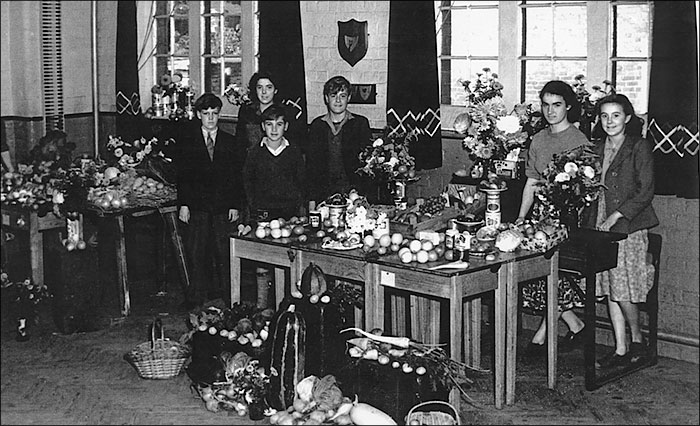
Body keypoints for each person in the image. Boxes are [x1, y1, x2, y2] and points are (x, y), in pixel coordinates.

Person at [583, 93, 659, 368]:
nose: (609, 121)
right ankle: (621, 347)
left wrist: (616, 215)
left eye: (616, 115)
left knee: (623, 288)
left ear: (627, 118)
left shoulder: (639, 147)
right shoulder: (595, 148)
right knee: (609, 285)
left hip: (628, 225)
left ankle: (638, 341)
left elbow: (645, 192)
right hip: (600, 224)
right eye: (604, 116)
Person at [516, 80, 591, 356]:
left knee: (554, 272)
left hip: (567, 219)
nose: (550, 111)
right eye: (546, 105)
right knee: (537, 273)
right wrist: (522, 218)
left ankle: (541, 335)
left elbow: (585, 191)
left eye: (556, 105)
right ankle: (575, 323)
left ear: (568, 106)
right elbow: (531, 182)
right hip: (539, 217)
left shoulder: (579, 141)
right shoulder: (539, 139)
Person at [176, 93, 247, 310]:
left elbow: (236, 177)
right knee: (196, 252)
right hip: (197, 207)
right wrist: (184, 205)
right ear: (198, 115)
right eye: (206, 114)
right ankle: (195, 296)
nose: (210, 118)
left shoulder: (230, 141)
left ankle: (229, 296)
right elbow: (183, 176)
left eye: (214, 114)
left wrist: (235, 205)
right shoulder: (188, 142)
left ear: (219, 115)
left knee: (224, 252)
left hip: (222, 207)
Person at [305, 75, 373, 203]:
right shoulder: (317, 126)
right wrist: (312, 199)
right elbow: (311, 167)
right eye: (333, 95)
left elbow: (367, 164)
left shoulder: (360, 124)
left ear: (349, 98)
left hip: (353, 193)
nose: (338, 100)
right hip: (323, 195)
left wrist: (358, 191)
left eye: (342, 96)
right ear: (326, 98)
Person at [243, 104, 306, 222]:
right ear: (262, 126)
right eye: (269, 124)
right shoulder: (254, 153)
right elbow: (248, 184)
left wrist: (298, 211)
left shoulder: (294, 152)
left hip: (290, 212)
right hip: (262, 213)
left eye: (279, 124)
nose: (274, 129)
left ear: (286, 126)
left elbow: (301, 183)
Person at [235, 70, 305, 150]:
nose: (264, 92)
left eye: (269, 87)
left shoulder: (286, 112)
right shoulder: (246, 111)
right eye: (260, 87)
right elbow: (239, 143)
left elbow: (294, 145)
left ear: (275, 90)